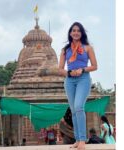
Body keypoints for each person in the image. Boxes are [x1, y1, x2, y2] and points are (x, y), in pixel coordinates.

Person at [58, 22, 97, 150]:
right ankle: (76, 139)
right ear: (70, 33)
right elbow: (60, 69)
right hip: (69, 80)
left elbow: (95, 66)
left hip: (83, 79)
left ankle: (82, 139)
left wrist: (83, 70)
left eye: (78, 30)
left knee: (79, 107)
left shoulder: (87, 48)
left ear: (81, 33)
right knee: (74, 110)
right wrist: (69, 72)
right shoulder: (65, 50)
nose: (76, 32)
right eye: (73, 30)